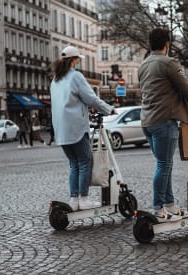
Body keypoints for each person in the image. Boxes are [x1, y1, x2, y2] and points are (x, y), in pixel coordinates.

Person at [138, 28, 188, 222]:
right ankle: (158, 207)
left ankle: (170, 205)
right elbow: (185, 87)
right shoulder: (168, 63)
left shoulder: (143, 65)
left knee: (164, 164)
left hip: (147, 121)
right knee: (164, 164)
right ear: (166, 44)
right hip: (164, 121)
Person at [50, 45, 115, 211]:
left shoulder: (56, 79)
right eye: (78, 59)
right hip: (76, 127)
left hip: (61, 129)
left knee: (74, 164)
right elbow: (91, 98)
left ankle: (74, 199)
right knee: (85, 162)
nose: (79, 62)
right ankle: (84, 199)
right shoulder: (75, 76)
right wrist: (108, 109)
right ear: (74, 60)